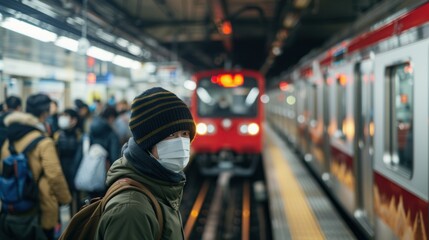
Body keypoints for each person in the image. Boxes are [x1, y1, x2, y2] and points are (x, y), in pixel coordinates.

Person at [95, 87, 196, 240]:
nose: (181, 143)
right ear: (148, 142)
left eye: (185, 134)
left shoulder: (160, 187)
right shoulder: (130, 211)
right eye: (171, 135)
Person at [0, 93, 71, 240]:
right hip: (40, 208)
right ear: (45, 113)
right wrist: (65, 199)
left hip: (11, 206)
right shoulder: (43, 142)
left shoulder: (10, 140)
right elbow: (54, 174)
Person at [53, 108, 83, 215]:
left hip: (76, 171)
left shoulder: (80, 135)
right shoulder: (57, 135)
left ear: (74, 120)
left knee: (76, 200)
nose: (62, 119)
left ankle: (76, 221)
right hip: (61, 171)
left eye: (66, 116)